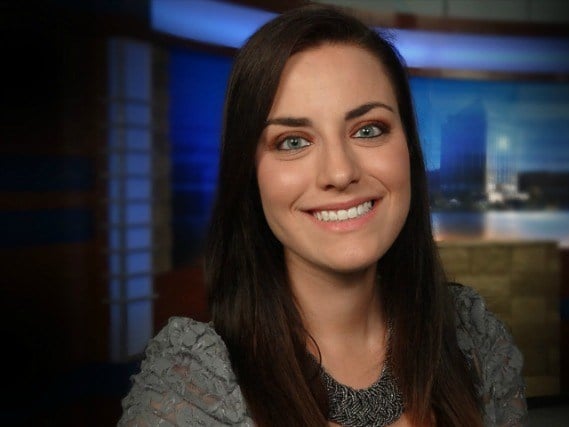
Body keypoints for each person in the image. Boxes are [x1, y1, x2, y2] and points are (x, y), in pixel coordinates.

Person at [119, 4, 526, 426]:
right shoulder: (191, 387)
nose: (339, 173)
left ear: (409, 148)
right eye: (293, 141)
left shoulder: (477, 344)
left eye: (368, 130)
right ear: (249, 172)